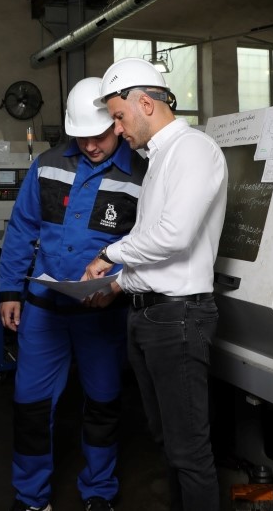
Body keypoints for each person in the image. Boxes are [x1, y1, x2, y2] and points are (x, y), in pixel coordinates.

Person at [83, 58, 227, 511]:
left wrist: (108, 255)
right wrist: (118, 286)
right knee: (167, 440)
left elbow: (174, 236)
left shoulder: (193, 150)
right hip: (150, 314)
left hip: (177, 318)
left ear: (145, 103)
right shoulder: (160, 158)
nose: (117, 129)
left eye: (118, 117)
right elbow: (155, 248)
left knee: (189, 452)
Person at [0, 77, 148, 511]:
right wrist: (9, 289)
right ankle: (31, 498)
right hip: (44, 311)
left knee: (103, 404)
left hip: (103, 313)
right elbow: (22, 228)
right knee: (30, 406)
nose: (91, 146)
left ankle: (99, 493)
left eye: (98, 136)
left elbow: (149, 244)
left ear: (116, 124)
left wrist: (115, 282)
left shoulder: (141, 175)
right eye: (82, 138)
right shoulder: (46, 165)